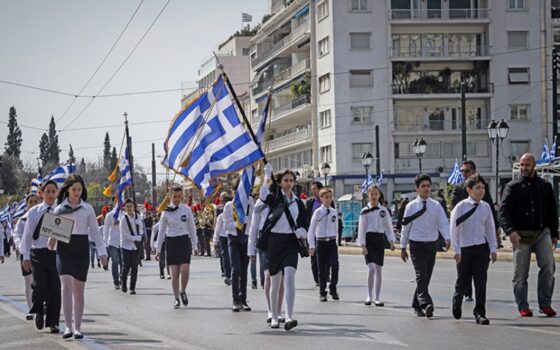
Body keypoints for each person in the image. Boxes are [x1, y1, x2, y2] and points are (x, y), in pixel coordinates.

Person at [498, 153, 557, 317]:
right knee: (520, 273)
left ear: (534, 166)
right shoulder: (512, 187)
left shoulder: (545, 186)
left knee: (548, 267)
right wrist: (511, 231)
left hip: (541, 232)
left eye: (527, 165)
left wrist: (554, 234)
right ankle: (523, 305)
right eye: (521, 165)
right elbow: (503, 213)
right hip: (520, 235)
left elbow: (552, 211)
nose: (523, 168)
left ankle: (545, 304)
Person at [52, 174, 108, 339]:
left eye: (79, 189)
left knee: (78, 289)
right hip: (64, 249)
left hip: (81, 248)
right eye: (73, 189)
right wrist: (51, 241)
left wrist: (102, 252)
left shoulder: (87, 209)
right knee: (66, 285)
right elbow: (53, 233)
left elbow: (95, 233)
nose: (76, 192)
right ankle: (68, 326)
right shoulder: (59, 209)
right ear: (68, 189)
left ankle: (77, 327)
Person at [259, 164, 308, 330]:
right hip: (274, 242)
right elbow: (263, 196)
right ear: (280, 182)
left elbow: (304, 222)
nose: (288, 183)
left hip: (290, 243)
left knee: (289, 278)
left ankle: (289, 316)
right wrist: (267, 176)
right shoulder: (275, 197)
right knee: (275, 281)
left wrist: (303, 231)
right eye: (285, 180)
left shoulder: (298, 202)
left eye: (291, 180)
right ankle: (274, 315)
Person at [450, 174, 498, 325]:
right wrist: (456, 250)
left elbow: (490, 229)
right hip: (465, 249)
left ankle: (480, 312)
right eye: (477, 188)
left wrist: (493, 248)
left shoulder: (486, 207)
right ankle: (457, 301)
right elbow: (454, 230)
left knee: (480, 281)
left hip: (481, 249)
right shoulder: (460, 207)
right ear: (469, 190)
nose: (481, 191)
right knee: (463, 280)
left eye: (483, 187)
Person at [400, 174, 450, 318]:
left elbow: (443, 223)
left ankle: (416, 304)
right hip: (416, 245)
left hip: (431, 245)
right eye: (423, 186)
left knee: (426, 277)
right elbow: (405, 227)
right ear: (417, 189)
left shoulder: (436, 206)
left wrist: (447, 238)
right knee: (421, 275)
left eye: (428, 186)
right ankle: (426, 303)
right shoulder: (410, 206)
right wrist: (403, 247)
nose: (426, 189)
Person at [20, 180, 61, 333]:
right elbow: (28, 235)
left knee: (55, 288)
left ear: (57, 193)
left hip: (55, 254)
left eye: (53, 191)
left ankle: (53, 322)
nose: (50, 194)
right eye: (47, 191)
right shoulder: (34, 211)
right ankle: (38, 310)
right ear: (41, 193)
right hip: (38, 253)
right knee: (40, 285)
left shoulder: (60, 211)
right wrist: (25, 256)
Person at [156, 187, 198, 309]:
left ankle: (182, 290)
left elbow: (192, 228)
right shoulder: (166, 211)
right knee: (174, 273)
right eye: (174, 197)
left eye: (179, 197)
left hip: (184, 241)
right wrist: (158, 250)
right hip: (172, 241)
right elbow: (161, 232)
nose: (177, 199)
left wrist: (195, 245)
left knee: (185, 270)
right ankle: (176, 298)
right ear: (170, 197)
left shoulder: (187, 210)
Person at [249, 197, 285, 324]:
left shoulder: (284, 199)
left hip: (281, 239)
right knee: (268, 275)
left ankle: (278, 311)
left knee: (280, 277)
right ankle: (270, 310)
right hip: (265, 239)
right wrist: (251, 248)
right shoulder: (261, 202)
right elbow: (254, 226)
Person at [357, 185, 395, 306]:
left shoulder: (383, 211)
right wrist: (362, 245)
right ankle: (369, 295)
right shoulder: (364, 211)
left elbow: (388, 227)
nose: (374, 196)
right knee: (371, 268)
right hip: (369, 240)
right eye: (371, 194)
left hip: (379, 240)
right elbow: (361, 229)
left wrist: (391, 241)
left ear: (379, 196)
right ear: (368, 195)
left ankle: (377, 297)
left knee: (378, 269)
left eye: (376, 194)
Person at [222, 187, 253, 312]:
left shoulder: (249, 203)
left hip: (245, 239)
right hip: (233, 239)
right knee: (236, 269)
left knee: (244, 271)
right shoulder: (229, 206)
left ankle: (243, 299)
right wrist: (237, 222)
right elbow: (226, 226)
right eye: (236, 192)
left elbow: (254, 220)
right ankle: (235, 300)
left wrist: (248, 219)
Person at [308, 187, 340, 302]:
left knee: (335, 266)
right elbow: (311, 230)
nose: (328, 200)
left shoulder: (333, 212)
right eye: (326, 197)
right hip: (321, 242)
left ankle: (333, 288)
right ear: (321, 198)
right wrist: (311, 245)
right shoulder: (318, 212)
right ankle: (322, 292)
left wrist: (336, 244)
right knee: (321, 269)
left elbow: (336, 229)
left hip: (331, 242)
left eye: (330, 197)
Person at [12, 193, 40, 321]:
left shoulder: (44, 217)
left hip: (41, 254)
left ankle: (41, 306)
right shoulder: (22, 220)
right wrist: (21, 246)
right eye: (31, 202)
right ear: (27, 204)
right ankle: (31, 309)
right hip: (26, 254)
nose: (33, 204)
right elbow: (16, 235)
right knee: (29, 282)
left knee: (41, 282)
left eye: (36, 201)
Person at [119, 199, 144, 294]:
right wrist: (137, 238)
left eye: (131, 206)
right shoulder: (123, 219)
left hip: (135, 247)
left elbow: (141, 230)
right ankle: (123, 282)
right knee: (126, 266)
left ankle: (132, 287)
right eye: (128, 206)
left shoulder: (138, 217)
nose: (129, 208)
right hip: (126, 246)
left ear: (134, 207)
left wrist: (139, 231)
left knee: (134, 267)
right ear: (125, 208)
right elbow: (125, 235)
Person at [305, 181, 324, 286]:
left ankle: (325, 275)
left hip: (324, 233)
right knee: (314, 256)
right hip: (313, 233)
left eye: (315, 188)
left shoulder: (326, 201)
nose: (313, 191)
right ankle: (317, 279)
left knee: (326, 256)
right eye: (312, 189)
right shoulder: (310, 202)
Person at [103, 197, 123, 290]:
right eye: (117, 201)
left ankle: (122, 279)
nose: (119, 203)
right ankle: (116, 281)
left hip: (123, 242)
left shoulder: (125, 214)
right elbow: (105, 230)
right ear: (114, 202)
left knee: (123, 262)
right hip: (112, 242)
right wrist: (105, 244)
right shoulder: (110, 215)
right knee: (115, 262)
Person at [213, 206, 231, 285]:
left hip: (230, 236)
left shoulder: (224, 216)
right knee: (226, 256)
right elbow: (218, 228)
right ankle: (227, 274)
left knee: (227, 256)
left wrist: (215, 240)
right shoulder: (221, 216)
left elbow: (217, 228)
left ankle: (230, 274)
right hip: (224, 237)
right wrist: (215, 240)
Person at [150, 215, 170, 279]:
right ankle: (161, 272)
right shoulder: (156, 226)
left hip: (168, 242)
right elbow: (153, 237)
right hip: (160, 244)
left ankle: (168, 273)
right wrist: (152, 248)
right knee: (161, 259)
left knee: (168, 258)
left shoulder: (169, 225)